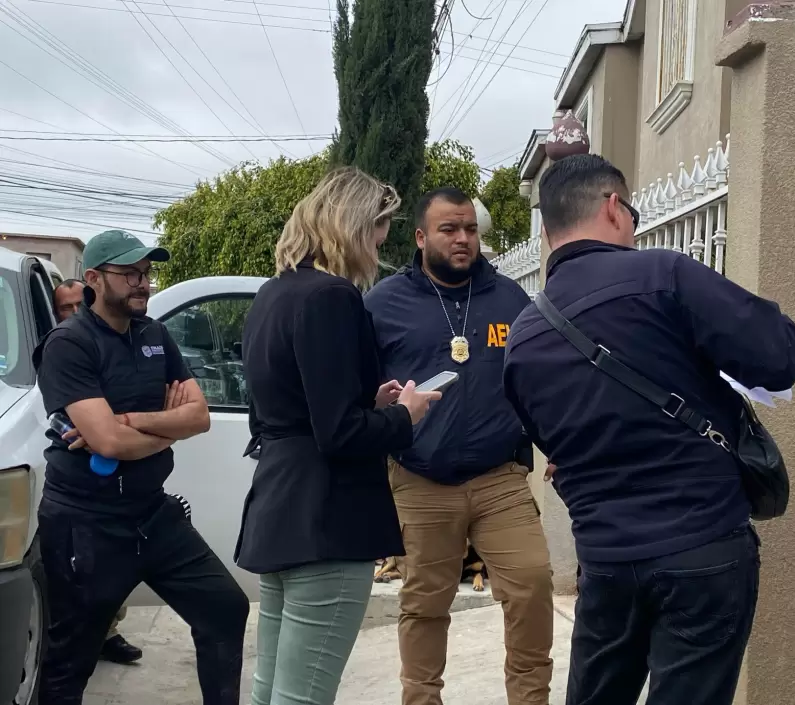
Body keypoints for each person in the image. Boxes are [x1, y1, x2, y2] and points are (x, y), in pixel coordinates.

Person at [502, 154, 795, 705]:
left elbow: (552, 441)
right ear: (615, 208)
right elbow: (781, 357)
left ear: (547, 233)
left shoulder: (522, 339)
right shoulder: (663, 275)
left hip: (606, 561)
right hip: (703, 547)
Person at [237, 167, 443, 705]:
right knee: (303, 696)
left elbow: (286, 410)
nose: (381, 242)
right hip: (327, 518)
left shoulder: (272, 295)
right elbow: (338, 435)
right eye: (380, 227)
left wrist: (368, 402)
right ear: (354, 225)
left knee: (270, 691)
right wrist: (406, 415)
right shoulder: (333, 297)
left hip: (280, 506)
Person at [34, 229, 249, 705]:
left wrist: (135, 423)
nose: (143, 283)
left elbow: (200, 416)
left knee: (224, 609)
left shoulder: (155, 335)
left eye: (148, 273)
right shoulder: (69, 344)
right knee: (71, 659)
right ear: (94, 278)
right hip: (85, 524)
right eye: (130, 273)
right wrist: (163, 428)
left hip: (152, 514)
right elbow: (108, 443)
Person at [364, 186, 554, 705]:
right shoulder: (384, 304)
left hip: (500, 480)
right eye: (449, 229)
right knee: (425, 604)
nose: (463, 239)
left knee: (532, 583)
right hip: (420, 480)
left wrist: (556, 442)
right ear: (422, 236)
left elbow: (534, 383)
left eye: (470, 229)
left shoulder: (510, 300)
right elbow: (359, 390)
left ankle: (531, 698)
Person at [52, 277, 143, 666]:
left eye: (78, 304)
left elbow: (109, 435)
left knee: (114, 572)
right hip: (76, 494)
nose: (73, 312)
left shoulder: (123, 340)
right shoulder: (60, 349)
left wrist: (122, 431)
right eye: (64, 308)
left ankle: (108, 631)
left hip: (126, 483)